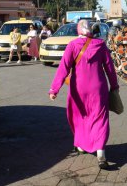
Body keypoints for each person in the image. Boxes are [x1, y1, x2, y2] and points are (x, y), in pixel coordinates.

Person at [48, 20, 119, 169]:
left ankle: (80, 145)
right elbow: (110, 69)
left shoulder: (73, 45)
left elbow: (63, 68)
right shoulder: (100, 45)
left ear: (78, 30)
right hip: (98, 88)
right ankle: (101, 154)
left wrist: (54, 89)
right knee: (100, 118)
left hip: (78, 89)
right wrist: (114, 86)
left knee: (79, 117)